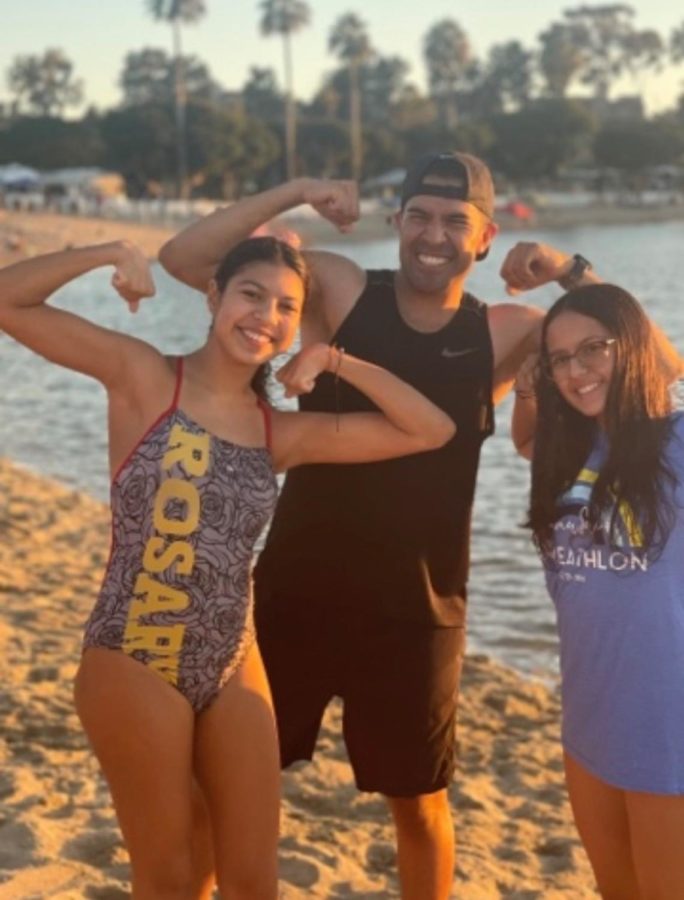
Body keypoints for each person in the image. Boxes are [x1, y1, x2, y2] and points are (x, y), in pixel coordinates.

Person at [158, 152, 600, 899]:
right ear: (396, 223)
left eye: (455, 223)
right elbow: (183, 259)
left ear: (485, 238)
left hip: (417, 608)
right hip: (295, 591)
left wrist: (568, 268)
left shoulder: (508, 331)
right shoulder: (339, 289)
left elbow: (640, 357)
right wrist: (299, 191)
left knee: (420, 807)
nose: (434, 236)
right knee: (230, 783)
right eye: (419, 217)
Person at [0, 236, 456, 900]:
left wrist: (337, 362)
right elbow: (10, 301)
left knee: (253, 883)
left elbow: (430, 429)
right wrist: (107, 253)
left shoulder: (277, 432)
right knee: (170, 879)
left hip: (233, 660)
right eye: (250, 294)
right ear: (214, 296)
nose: (265, 316)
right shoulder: (144, 375)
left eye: (286, 307)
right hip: (133, 653)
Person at [512, 283, 684, 899]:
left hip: (669, 732)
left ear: (633, 346)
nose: (577, 370)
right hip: (589, 722)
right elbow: (523, 437)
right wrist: (534, 380)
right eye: (560, 358)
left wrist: (570, 272)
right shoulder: (570, 453)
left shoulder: (676, 440)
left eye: (594, 349)